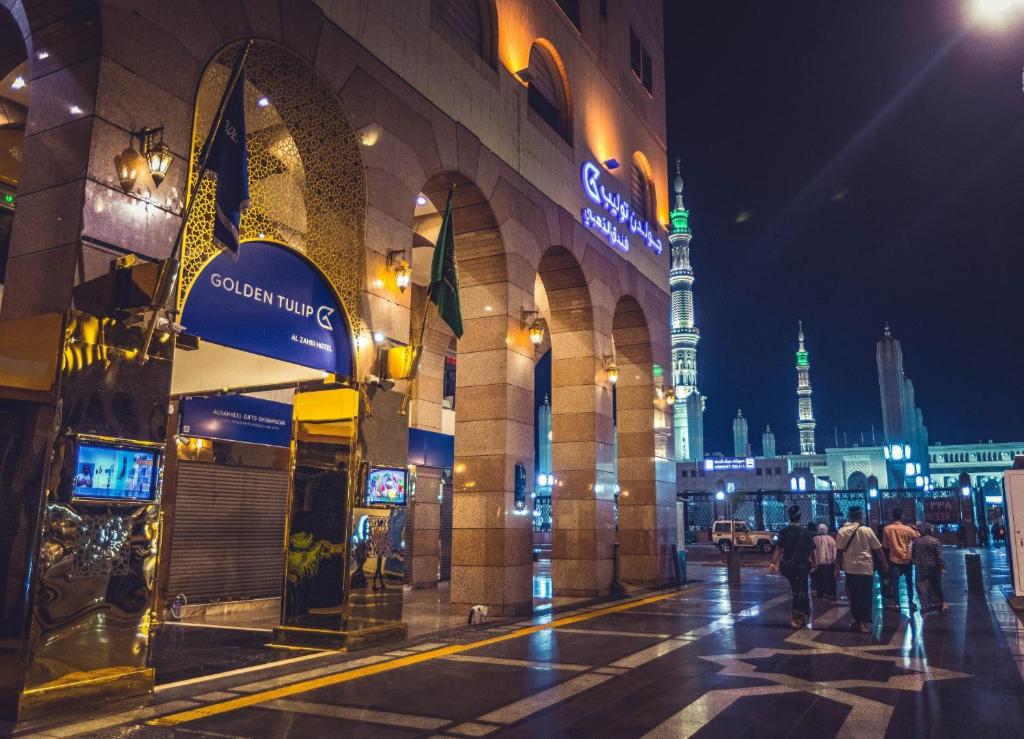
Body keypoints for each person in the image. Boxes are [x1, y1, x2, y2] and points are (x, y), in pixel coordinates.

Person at [836, 506, 889, 633]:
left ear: (849, 517)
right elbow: (878, 549)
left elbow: (838, 553)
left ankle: (857, 621)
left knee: (853, 596)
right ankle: (864, 623)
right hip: (866, 567)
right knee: (865, 595)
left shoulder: (842, 531)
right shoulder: (867, 530)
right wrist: (885, 563)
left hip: (850, 568)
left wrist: (837, 568)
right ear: (860, 517)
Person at [768, 505, 816, 628]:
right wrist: (814, 564)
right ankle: (799, 616)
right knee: (801, 590)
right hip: (802, 566)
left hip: (789, 567)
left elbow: (778, 549)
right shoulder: (806, 532)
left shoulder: (784, 531)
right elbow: (812, 551)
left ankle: (802, 613)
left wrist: (773, 563)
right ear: (800, 517)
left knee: (797, 590)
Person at [912, 522, 946, 613]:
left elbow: (913, 554)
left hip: (921, 567)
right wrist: (942, 567)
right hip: (933, 567)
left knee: (921, 586)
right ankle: (937, 604)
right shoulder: (935, 541)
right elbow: (939, 556)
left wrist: (915, 561)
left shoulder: (916, 541)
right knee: (935, 585)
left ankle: (925, 606)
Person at [812, 523, 837, 599]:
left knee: (819, 579)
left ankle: (820, 592)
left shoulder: (815, 539)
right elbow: (834, 551)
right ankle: (830, 592)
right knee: (829, 578)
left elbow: (812, 551)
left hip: (818, 563)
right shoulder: (831, 539)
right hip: (829, 563)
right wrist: (834, 560)